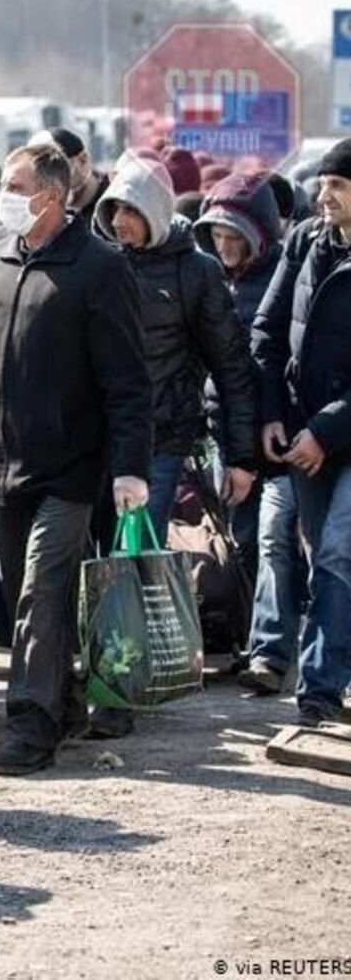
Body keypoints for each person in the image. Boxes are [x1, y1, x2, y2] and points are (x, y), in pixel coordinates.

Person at [0, 142, 150, 775]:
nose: (7, 197)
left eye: (18, 187)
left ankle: (29, 729)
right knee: (16, 591)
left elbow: (128, 380)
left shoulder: (99, 267)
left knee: (42, 594)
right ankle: (66, 696)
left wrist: (130, 465)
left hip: (69, 468)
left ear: (52, 197)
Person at [93, 152, 257, 540]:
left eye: (130, 211)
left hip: (162, 438)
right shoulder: (100, 263)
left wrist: (242, 457)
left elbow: (231, 364)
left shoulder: (196, 272)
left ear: (153, 210)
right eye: (113, 210)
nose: (118, 222)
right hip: (98, 436)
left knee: (139, 556)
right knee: (95, 559)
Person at [251, 138, 351, 728]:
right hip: (305, 439)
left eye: (336, 186)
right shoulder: (306, 242)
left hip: (333, 435)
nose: (323, 195)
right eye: (323, 186)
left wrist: (322, 429)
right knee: (325, 560)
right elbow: (265, 332)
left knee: (338, 548)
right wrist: (272, 416)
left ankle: (318, 688)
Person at [198, 175, 308, 698]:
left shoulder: (286, 277)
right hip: (226, 434)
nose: (225, 247)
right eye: (217, 237)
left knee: (275, 540)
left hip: (280, 433)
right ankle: (250, 641)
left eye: (234, 237)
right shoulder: (211, 280)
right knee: (240, 542)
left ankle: (271, 649)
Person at [30, 128, 103, 234]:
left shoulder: (116, 203)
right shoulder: (42, 214)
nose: (48, 176)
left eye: (55, 164)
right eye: (38, 170)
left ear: (83, 160)